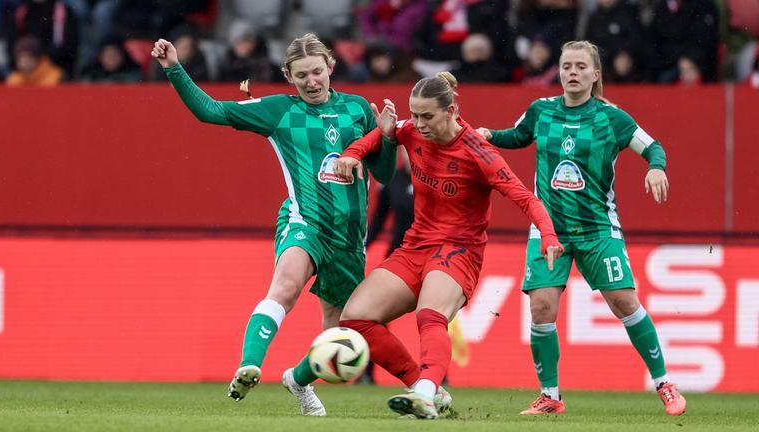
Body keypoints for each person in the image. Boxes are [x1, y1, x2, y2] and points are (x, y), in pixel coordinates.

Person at [150, 33, 396, 416]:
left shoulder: (358, 109)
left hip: (349, 237)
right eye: (301, 76)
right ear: (288, 76)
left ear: (331, 68)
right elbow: (210, 111)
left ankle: (299, 383)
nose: (311, 81)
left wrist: (388, 136)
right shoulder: (280, 110)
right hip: (305, 221)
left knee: (339, 328)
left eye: (317, 72)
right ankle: (249, 365)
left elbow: (383, 174)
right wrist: (174, 69)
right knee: (286, 286)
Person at [334, 72, 563, 419]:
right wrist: (352, 154)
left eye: (428, 116)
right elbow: (380, 137)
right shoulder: (411, 131)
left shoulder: (479, 152)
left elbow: (525, 198)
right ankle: (427, 389)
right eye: (415, 114)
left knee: (430, 316)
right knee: (354, 318)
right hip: (415, 245)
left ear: (451, 109)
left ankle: (424, 393)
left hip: (459, 250)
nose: (419, 124)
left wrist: (548, 234)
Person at [476, 40, 685, 416]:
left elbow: (654, 147)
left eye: (580, 66)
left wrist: (656, 167)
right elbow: (516, 136)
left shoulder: (612, 118)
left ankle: (664, 382)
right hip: (549, 231)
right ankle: (550, 396)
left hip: (597, 231)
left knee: (624, 302)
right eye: (566, 66)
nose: (572, 72)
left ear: (595, 74)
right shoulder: (541, 111)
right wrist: (491, 135)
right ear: (559, 71)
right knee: (541, 307)